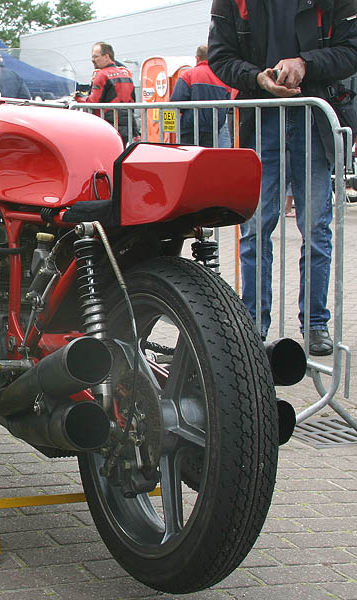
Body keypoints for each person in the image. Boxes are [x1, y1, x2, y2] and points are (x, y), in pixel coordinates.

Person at [208, 0, 357, 356]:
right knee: (255, 228)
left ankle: (316, 323)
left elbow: (351, 51)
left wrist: (305, 63)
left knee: (317, 227)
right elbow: (220, 56)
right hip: (259, 118)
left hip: (315, 116)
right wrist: (257, 77)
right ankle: (253, 325)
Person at [169, 44, 232, 147]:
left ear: (197, 58)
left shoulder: (188, 75)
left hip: (189, 129)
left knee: (188, 159)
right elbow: (228, 104)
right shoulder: (222, 77)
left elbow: (177, 101)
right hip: (213, 129)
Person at [84, 42, 139, 143]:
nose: (93, 60)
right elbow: (132, 103)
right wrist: (135, 130)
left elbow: (92, 103)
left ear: (106, 56)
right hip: (126, 126)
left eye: (95, 57)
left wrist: (79, 98)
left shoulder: (102, 75)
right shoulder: (126, 74)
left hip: (107, 127)